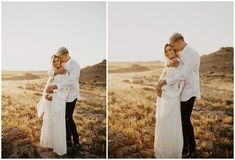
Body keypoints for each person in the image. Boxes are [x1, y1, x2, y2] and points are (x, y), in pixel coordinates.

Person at [156, 33, 201, 158]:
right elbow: (172, 63)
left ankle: (191, 150)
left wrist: (164, 81)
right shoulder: (181, 53)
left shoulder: (192, 54)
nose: (173, 49)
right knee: (180, 120)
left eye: (174, 46)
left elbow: (183, 75)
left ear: (179, 41)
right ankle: (184, 146)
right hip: (179, 92)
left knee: (185, 120)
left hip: (189, 92)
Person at [46, 47, 81, 152]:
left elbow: (71, 80)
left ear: (66, 54)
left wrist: (55, 87)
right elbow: (51, 70)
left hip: (71, 95)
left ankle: (77, 141)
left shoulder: (75, 65)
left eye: (61, 58)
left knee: (68, 117)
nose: (60, 60)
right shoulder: (63, 62)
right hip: (61, 95)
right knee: (63, 118)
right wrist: (54, 73)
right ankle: (67, 141)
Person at [154, 44, 184, 158]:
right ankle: (165, 149)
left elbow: (176, 79)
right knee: (163, 121)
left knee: (168, 121)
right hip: (165, 96)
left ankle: (170, 152)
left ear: (175, 50)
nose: (168, 52)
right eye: (166, 51)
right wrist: (159, 87)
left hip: (170, 97)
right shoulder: (171, 63)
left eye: (170, 50)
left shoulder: (176, 62)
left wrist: (162, 85)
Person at [37, 55, 69, 155]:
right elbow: (47, 87)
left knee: (57, 122)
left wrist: (54, 95)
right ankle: (48, 143)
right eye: (54, 61)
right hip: (48, 101)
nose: (56, 63)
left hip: (57, 100)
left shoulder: (65, 73)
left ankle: (57, 146)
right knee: (48, 120)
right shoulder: (52, 73)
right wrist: (46, 95)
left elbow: (66, 89)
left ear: (61, 61)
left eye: (57, 60)